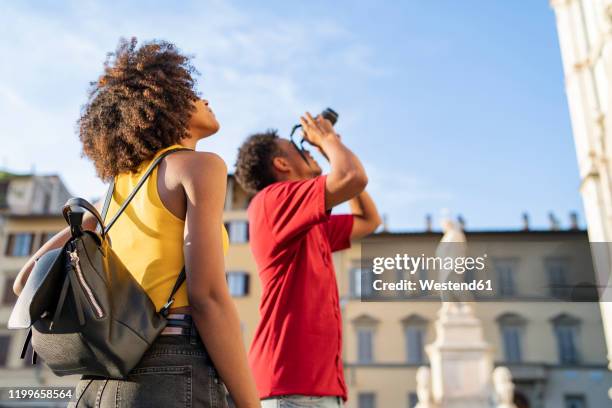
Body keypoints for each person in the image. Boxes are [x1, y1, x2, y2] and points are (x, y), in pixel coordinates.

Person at [13, 38, 259, 408]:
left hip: (95, 384)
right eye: (191, 91)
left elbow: (23, 283)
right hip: (172, 368)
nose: (205, 99)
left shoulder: (111, 198)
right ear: (164, 100)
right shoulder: (199, 167)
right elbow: (207, 298)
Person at [234, 113, 381, 407]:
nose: (308, 149)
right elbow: (352, 177)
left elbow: (368, 219)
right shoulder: (271, 200)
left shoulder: (312, 224)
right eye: (299, 146)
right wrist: (328, 142)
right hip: (290, 386)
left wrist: (330, 151)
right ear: (282, 164)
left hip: (318, 387)